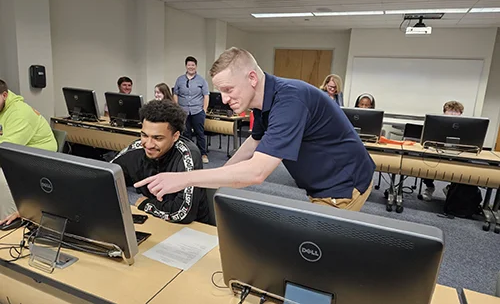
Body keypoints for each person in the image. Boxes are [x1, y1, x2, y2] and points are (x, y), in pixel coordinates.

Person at [135, 47, 376, 212]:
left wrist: (184, 179)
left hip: (344, 186)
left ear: (252, 78)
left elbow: (256, 173)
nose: (225, 99)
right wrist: (215, 179)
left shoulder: (291, 100)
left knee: (309, 257)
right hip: (320, 184)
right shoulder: (261, 101)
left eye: (229, 89)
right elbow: (254, 143)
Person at [111, 100, 209, 224]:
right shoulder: (136, 148)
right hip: (152, 220)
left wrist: (145, 203)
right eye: (144, 135)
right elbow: (105, 178)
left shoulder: (188, 155)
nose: (149, 144)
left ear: (175, 136)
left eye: (158, 138)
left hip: (193, 229)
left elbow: (183, 213)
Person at [0, 79, 57, 224]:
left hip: (39, 160)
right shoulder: (2, 109)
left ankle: (9, 222)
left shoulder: (20, 113)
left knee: (1, 175)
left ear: (4, 95)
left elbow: (6, 149)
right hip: (19, 158)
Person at [421, 100, 464, 201]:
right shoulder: (437, 123)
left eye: (456, 111)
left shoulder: (466, 125)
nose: (453, 114)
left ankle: (451, 188)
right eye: (450, 111)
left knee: (465, 166)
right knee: (427, 162)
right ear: (444, 112)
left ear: (460, 113)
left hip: (458, 152)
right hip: (438, 151)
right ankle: (429, 186)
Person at [173, 56, 209, 164]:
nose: (191, 67)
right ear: (186, 66)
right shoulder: (180, 80)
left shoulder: (201, 80)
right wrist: (177, 108)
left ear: (196, 66)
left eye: (193, 65)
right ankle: (188, 153)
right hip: (183, 112)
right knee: (185, 133)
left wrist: (204, 110)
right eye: (189, 65)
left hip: (197, 111)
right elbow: (175, 94)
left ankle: (203, 154)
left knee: (200, 133)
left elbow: (206, 95)